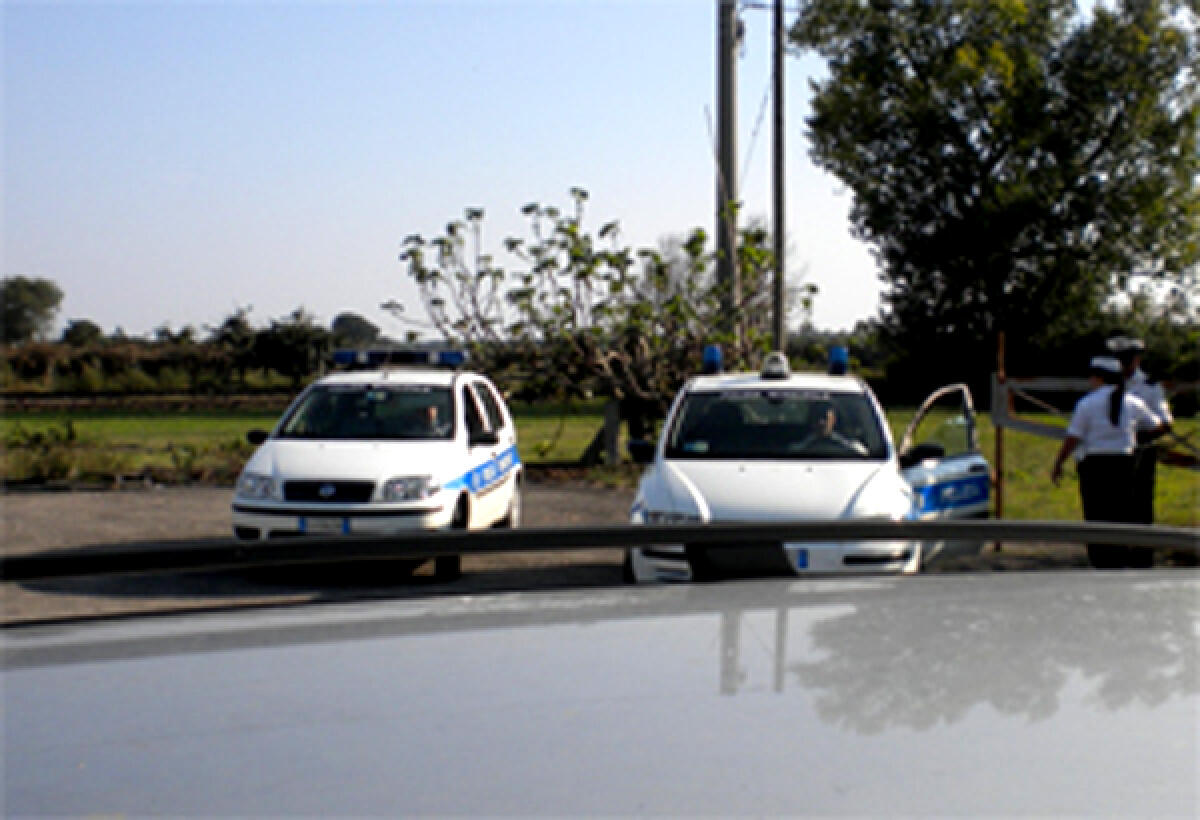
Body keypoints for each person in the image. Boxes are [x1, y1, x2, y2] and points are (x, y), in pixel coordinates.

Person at [1051, 356, 1170, 568]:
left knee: (1096, 511)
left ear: (1099, 378)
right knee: (1123, 511)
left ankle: (1102, 558)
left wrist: (1059, 462)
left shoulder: (1087, 403)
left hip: (1095, 463)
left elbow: (1073, 437)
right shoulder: (1133, 402)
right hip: (1125, 463)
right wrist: (1136, 436)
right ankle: (1124, 553)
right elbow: (1159, 425)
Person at [1107, 333, 1174, 525]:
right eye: (1120, 359)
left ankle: (1143, 542)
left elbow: (1166, 422)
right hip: (1111, 450)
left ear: (1137, 359)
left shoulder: (1150, 387)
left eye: (1128, 359)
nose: (1124, 364)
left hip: (1141, 450)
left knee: (1141, 501)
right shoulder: (1109, 384)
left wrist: (1140, 436)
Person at [799, 400, 868, 455]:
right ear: (812, 421)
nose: (821, 422)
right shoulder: (802, 448)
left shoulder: (851, 447)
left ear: (834, 420)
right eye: (817, 418)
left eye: (825, 418)